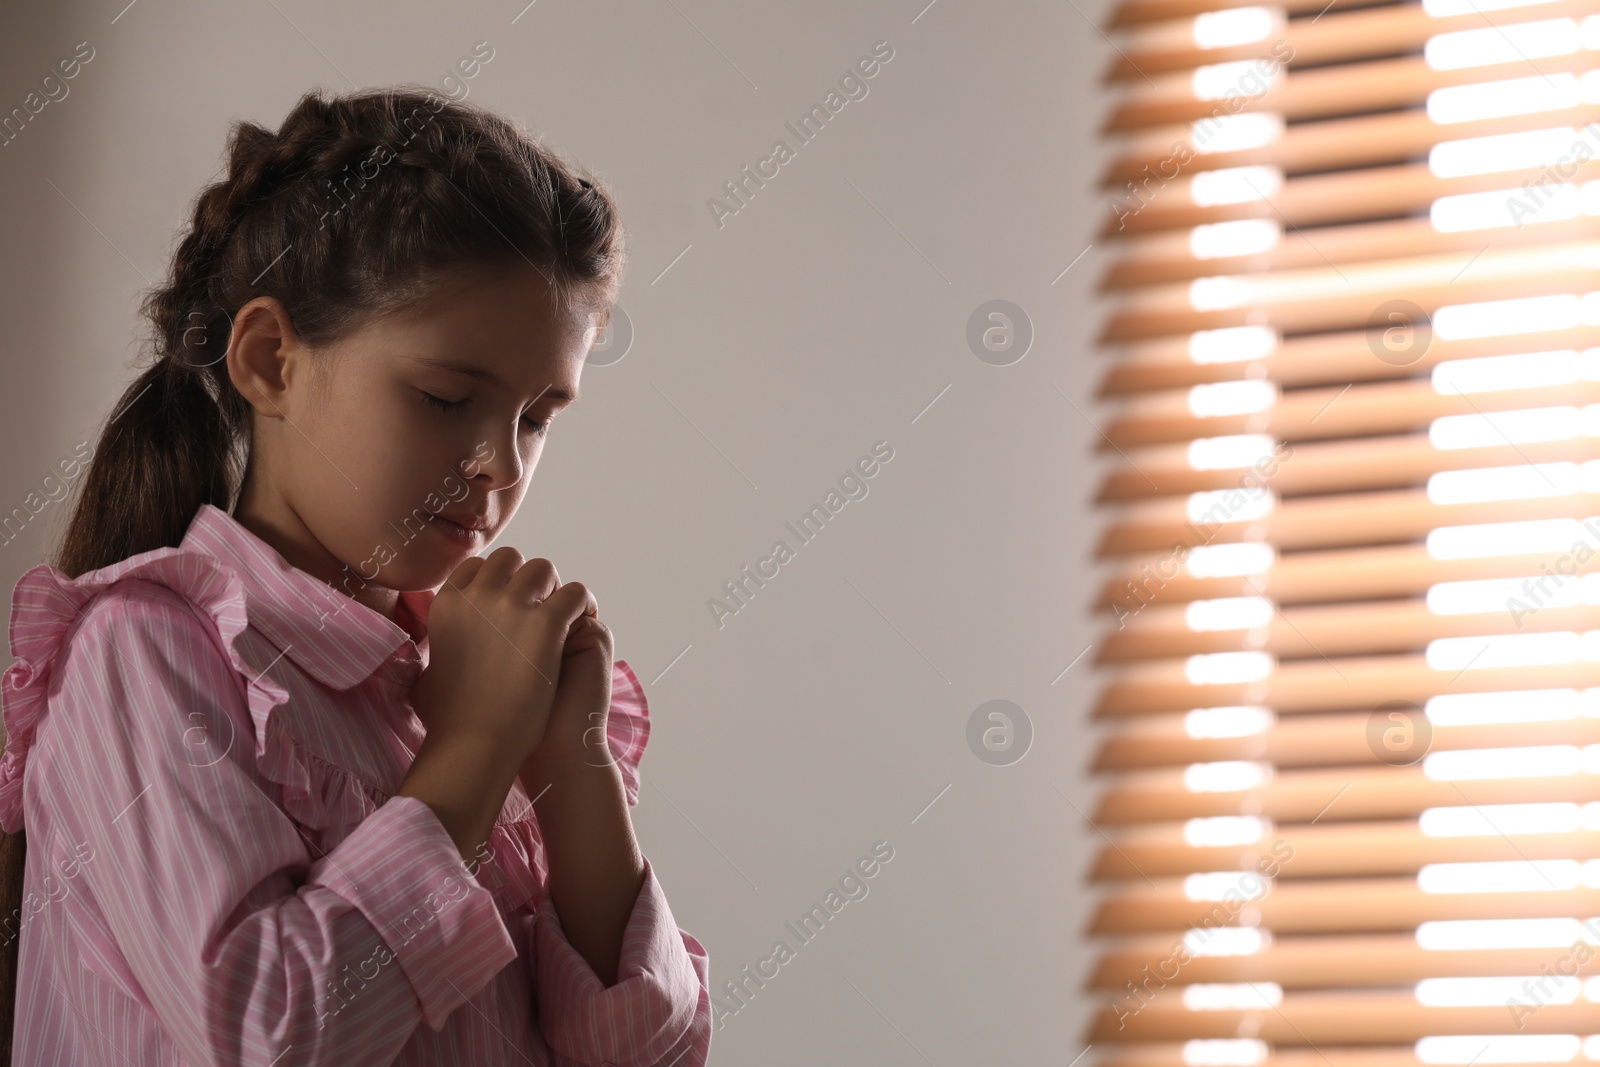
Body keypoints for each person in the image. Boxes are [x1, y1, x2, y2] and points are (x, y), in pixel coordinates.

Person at [0, 85, 711, 1065]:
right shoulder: (148, 654)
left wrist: (573, 761)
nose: (501, 465)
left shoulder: (467, 673)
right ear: (271, 361)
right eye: (446, 396)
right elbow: (274, 1034)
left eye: (537, 416)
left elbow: (645, 1054)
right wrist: (469, 747)